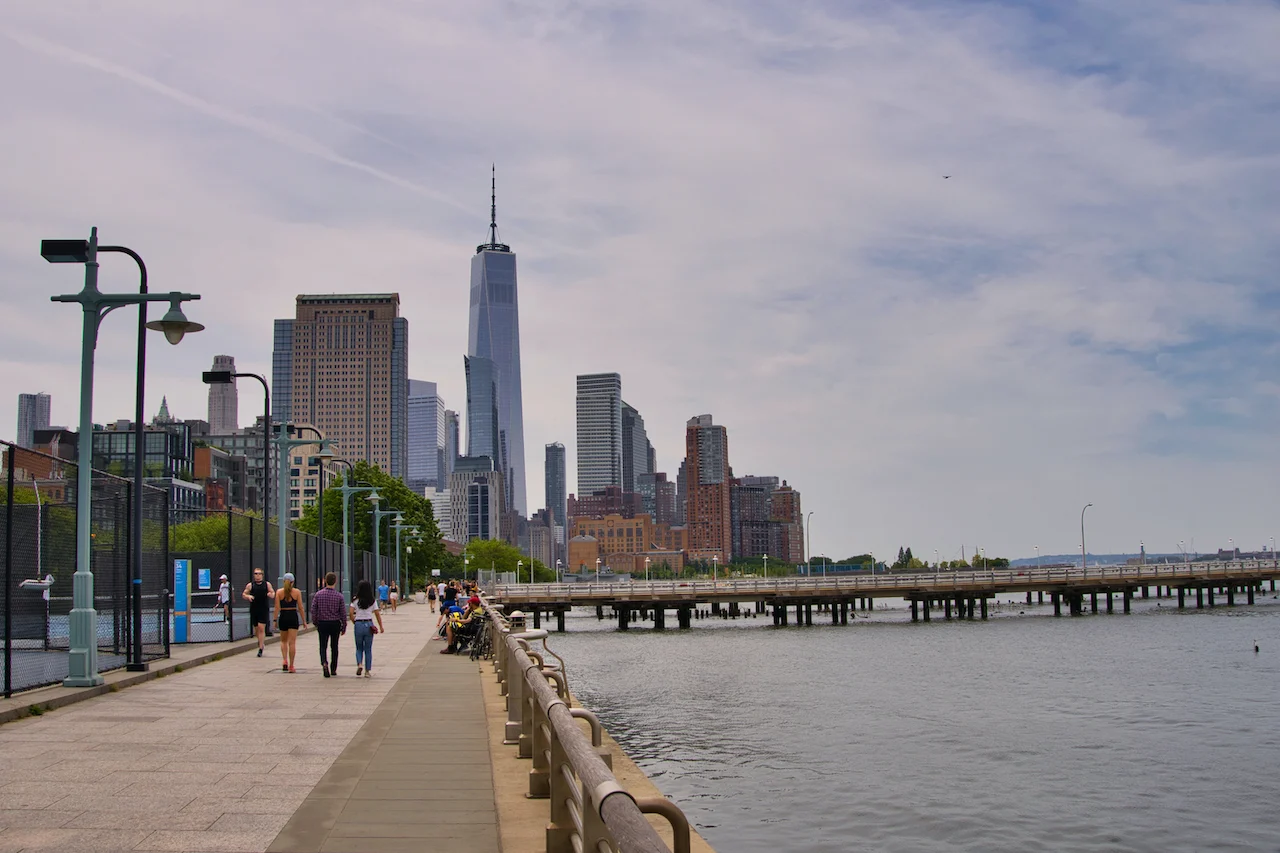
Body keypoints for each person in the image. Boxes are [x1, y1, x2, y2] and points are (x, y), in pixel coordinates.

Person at [310, 572, 347, 678]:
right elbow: (343, 613)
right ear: (335, 581)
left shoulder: (318, 594)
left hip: (322, 623)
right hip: (335, 623)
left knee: (323, 645)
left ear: (325, 581)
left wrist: (315, 621)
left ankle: (324, 663)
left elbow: (313, 610)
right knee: (334, 646)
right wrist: (344, 626)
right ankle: (333, 668)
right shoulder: (339, 596)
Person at [349, 579, 384, 678]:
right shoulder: (372, 600)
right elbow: (377, 614)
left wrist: (354, 621)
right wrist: (381, 626)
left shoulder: (355, 600)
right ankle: (367, 671)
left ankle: (359, 663)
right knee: (368, 649)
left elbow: (351, 613)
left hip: (358, 624)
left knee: (359, 647)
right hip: (369, 624)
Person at [274, 572, 306, 673]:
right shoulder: (297, 592)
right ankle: (291, 666)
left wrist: (275, 620)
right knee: (292, 642)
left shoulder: (279, 592)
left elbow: (277, 608)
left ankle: (284, 660)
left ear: (284, 582)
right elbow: (300, 607)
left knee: (283, 641)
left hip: (283, 615)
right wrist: (304, 621)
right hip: (293, 616)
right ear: (293, 582)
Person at [242, 568, 274, 657]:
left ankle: (260, 649)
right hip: (254, 609)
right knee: (256, 629)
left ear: (262, 575)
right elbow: (244, 594)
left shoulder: (266, 584)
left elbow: (272, 592)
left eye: (259, 574)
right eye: (256, 574)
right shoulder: (250, 585)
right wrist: (248, 596)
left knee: (261, 628)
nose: (257, 575)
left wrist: (270, 594)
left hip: (263, 609)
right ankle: (261, 642)